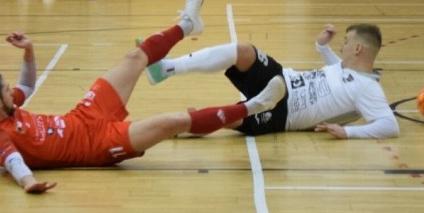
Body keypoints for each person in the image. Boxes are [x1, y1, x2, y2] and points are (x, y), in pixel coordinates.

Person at [0, 0, 287, 193]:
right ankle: (255, 106)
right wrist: (29, 183)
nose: (11, 91)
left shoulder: (5, 109)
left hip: (83, 115)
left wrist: (29, 50)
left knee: (134, 57)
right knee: (174, 121)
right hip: (97, 146)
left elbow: (27, 85)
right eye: (5, 91)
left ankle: (189, 23)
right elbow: (15, 163)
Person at [143, 23, 399, 139]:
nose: (341, 46)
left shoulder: (369, 89)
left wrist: (348, 132)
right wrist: (322, 47)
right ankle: (166, 68)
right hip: (282, 79)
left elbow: (389, 126)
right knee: (243, 51)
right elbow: (340, 73)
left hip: (285, 113)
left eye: (346, 42)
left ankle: (181, 125)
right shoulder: (348, 70)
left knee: (231, 119)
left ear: (357, 50)